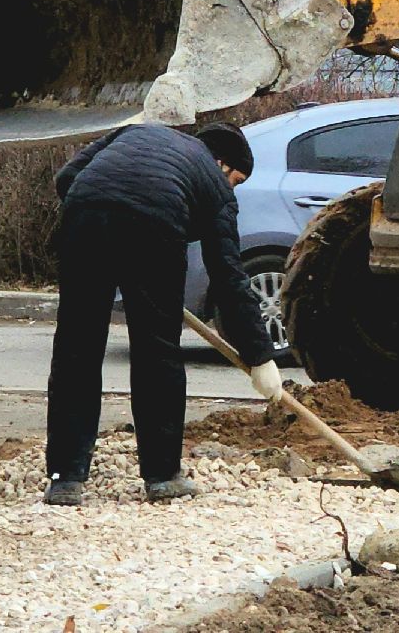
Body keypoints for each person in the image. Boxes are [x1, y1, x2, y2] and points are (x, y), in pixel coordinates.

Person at [41, 122, 283, 506]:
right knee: (157, 351)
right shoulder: (214, 183)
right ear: (223, 164)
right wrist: (260, 355)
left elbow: (68, 176)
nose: (233, 187)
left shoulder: (135, 132)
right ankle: (162, 476)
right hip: (156, 221)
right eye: (236, 180)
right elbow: (229, 277)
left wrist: (107, 221)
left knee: (77, 345)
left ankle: (65, 479)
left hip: (85, 212)